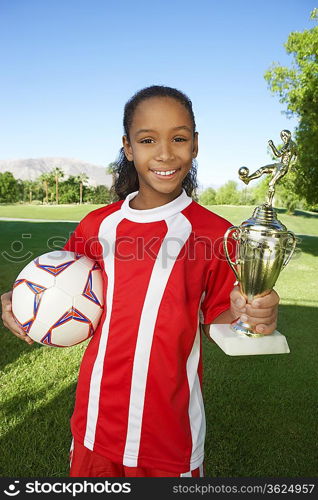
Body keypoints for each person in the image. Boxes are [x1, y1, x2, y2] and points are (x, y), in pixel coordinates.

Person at [1, 85, 279, 477]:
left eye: (179, 138)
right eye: (148, 140)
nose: (165, 153)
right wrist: (14, 299)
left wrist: (253, 315)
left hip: (168, 437)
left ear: (195, 145)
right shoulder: (97, 225)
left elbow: (224, 317)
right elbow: (52, 282)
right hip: (93, 426)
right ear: (128, 148)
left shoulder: (218, 236)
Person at [239, 129, 297, 205]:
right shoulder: (294, 144)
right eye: (282, 137)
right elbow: (296, 155)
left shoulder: (288, 145)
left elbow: (278, 154)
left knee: (271, 183)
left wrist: (272, 145)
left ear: (288, 135)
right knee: (263, 169)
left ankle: (269, 203)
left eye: (284, 136)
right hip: (280, 165)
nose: (283, 138)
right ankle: (248, 179)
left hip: (283, 167)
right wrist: (293, 164)